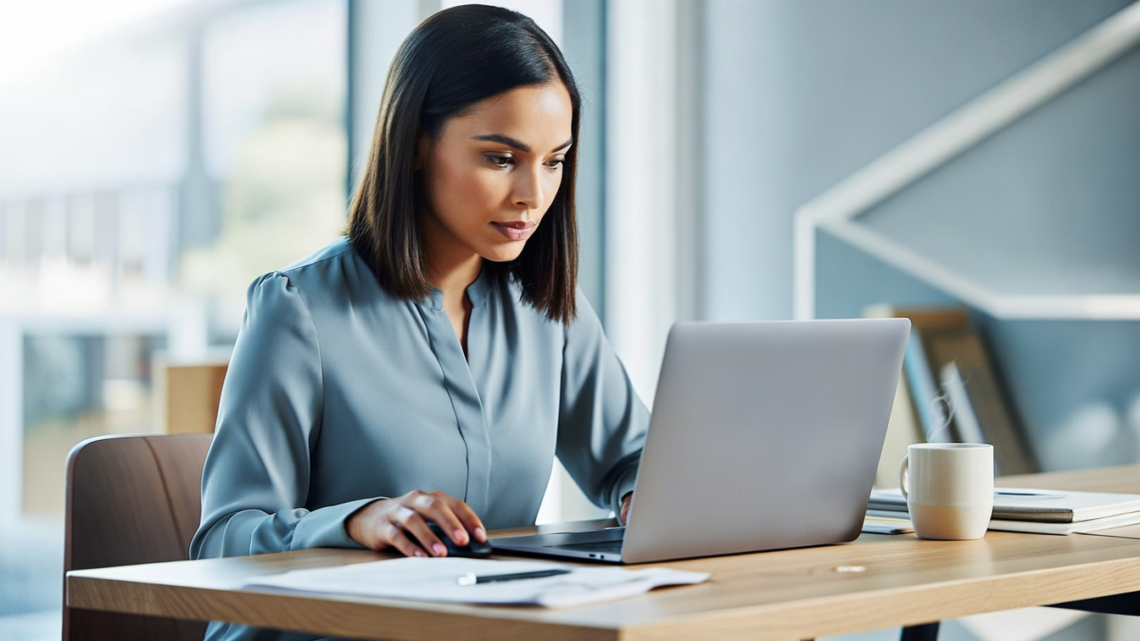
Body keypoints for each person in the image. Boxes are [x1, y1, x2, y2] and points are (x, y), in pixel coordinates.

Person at [191, 5, 648, 640]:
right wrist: (358, 522)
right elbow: (221, 540)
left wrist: (644, 496)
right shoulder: (298, 308)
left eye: (554, 160)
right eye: (500, 158)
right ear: (414, 145)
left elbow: (635, 458)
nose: (533, 194)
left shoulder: (548, 310)